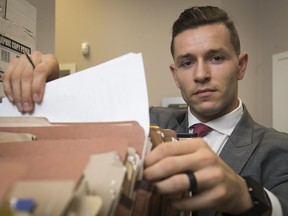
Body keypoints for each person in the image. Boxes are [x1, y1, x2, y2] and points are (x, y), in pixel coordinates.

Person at [3, 5, 288, 216]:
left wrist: (246, 196)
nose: (201, 75)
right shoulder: (143, 120)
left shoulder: (278, 148)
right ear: (175, 75)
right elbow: (76, 127)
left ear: (240, 66)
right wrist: (49, 84)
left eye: (215, 58)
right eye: (187, 63)